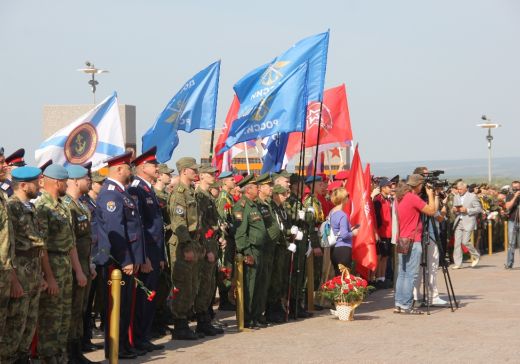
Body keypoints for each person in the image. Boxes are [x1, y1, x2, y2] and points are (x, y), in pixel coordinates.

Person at [94, 152, 146, 359]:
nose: (130, 171)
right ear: (118, 169)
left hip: (126, 260)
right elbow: (116, 231)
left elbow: (134, 229)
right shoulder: (110, 194)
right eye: (127, 167)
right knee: (115, 306)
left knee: (125, 306)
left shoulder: (121, 193)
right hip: (116, 261)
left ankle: (123, 344)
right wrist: (125, 260)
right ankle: (115, 348)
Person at [35, 164, 88, 363]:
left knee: (65, 318)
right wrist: (49, 277)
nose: (67, 185)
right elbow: (42, 247)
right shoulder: (43, 207)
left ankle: (61, 358)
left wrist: (79, 271)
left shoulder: (63, 206)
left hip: (65, 265)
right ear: (57, 182)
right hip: (53, 266)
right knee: (51, 321)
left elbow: (71, 242)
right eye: (65, 182)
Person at [127, 147, 166, 352]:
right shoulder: (136, 189)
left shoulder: (147, 188)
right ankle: (138, 338)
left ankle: (144, 335)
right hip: (145, 253)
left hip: (153, 252)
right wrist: (143, 257)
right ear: (143, 167)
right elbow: (139, 226)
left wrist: (159, 255)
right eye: (154, 164)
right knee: (143, 298)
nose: (157, 167)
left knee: (150, 296)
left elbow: (157, 226)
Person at [63, 165, 99, 364]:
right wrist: (78, 270)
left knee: (81, 310)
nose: (90, 181)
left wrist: (90, 265)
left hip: (85, 265)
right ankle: (69, 354)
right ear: (76, 181)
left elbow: (87, 240)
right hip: (72, 268)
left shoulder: (81, 205)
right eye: (86, 178)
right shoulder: (67, 206)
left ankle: (76, 351)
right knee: (72, 311)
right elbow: (71, 242)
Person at [168, 157, 201, 340]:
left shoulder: (190, 192)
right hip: (182, 245)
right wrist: (187, 245)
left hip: (191, 242)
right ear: (184, 171)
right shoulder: (179, 193)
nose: (195, 172)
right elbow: (179, 222)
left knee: (191, 284)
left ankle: (184, 321)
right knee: (182, 284)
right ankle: (179, 324)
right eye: (192, 169)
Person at [394, 175, 435, 315]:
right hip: (413, 239)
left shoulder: (400, 197)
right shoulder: (412, 197)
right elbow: (431, 211)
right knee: (411, 274)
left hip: (402, 238)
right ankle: (407, 305)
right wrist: (431, 195)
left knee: (403, 273)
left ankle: (399, 303)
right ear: (418, 185)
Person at [233, 175, 268, 328]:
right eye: (255, 187)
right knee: (249, 286)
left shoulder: (254, 205)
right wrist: (246, 252)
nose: (258, 188)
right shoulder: (241, 206)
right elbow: (240, 232)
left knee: (258, 285)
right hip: (250, 250)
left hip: (259, 250)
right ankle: (246, 318)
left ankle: (254, 316)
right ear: (248, 190)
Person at [194, 164, 224, 335]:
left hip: (212, 243)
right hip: (206, 246)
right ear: (202, 175)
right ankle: (201, 321)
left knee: (210, 284)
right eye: (210, 174)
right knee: (204, 284)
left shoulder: (208, 196)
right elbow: (201, 225)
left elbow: (212, 223)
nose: (214, 176)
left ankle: (205, 319)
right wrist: (207, 248)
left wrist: (219, 237)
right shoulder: (199, 196)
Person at [215, 171, 236, 311]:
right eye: (231, 179)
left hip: (230, 237)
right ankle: (224, 299)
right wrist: (223, 237)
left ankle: (226, 298)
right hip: (226, 239)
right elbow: (222, 220)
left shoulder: (229, 197)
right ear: (224, 182)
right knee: (225, 268)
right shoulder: (223, 198)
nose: (234, 181)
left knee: (229, 267)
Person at [452, 181, 482, 269]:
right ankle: (458, 263)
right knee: (457, 243)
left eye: (460, 189)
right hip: (458, 221)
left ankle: (476, 255)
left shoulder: (472, 196)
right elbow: (453, 209)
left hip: (468, 221)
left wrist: (467, 210)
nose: (459, 191)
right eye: (458, 189)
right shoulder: (456, 197)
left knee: (465, 241)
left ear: (466, 189)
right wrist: (454, 210)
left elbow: (479, 209)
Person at [329, 187, 359, 275]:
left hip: (334, 249)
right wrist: (353, 232)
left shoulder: (332, 212)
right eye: (347, 197)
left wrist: (350, 229)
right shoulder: (342, 215)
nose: (348, 199)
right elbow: (344, 235)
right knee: (344, 278)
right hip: (343, 248)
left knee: (338, 276)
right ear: (343, 199)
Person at [373, 178, 393, 288]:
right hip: (382, 232)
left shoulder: (388, 200)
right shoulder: (377, 200)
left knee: (385, 256)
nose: (391, 188)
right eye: (389, 187)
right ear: (383, 188)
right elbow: (375, 218)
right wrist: (376, 232)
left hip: (388, 232)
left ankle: (383, 278)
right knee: (380, 257)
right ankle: (378, 279)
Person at [504, 181, 520, 269]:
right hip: (512, 221)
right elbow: (508, 206)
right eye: (514, 188)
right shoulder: (510, 195)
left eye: (518, 187)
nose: (516, 189)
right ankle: (509, 263)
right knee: (511, 243)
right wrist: (515, 196)